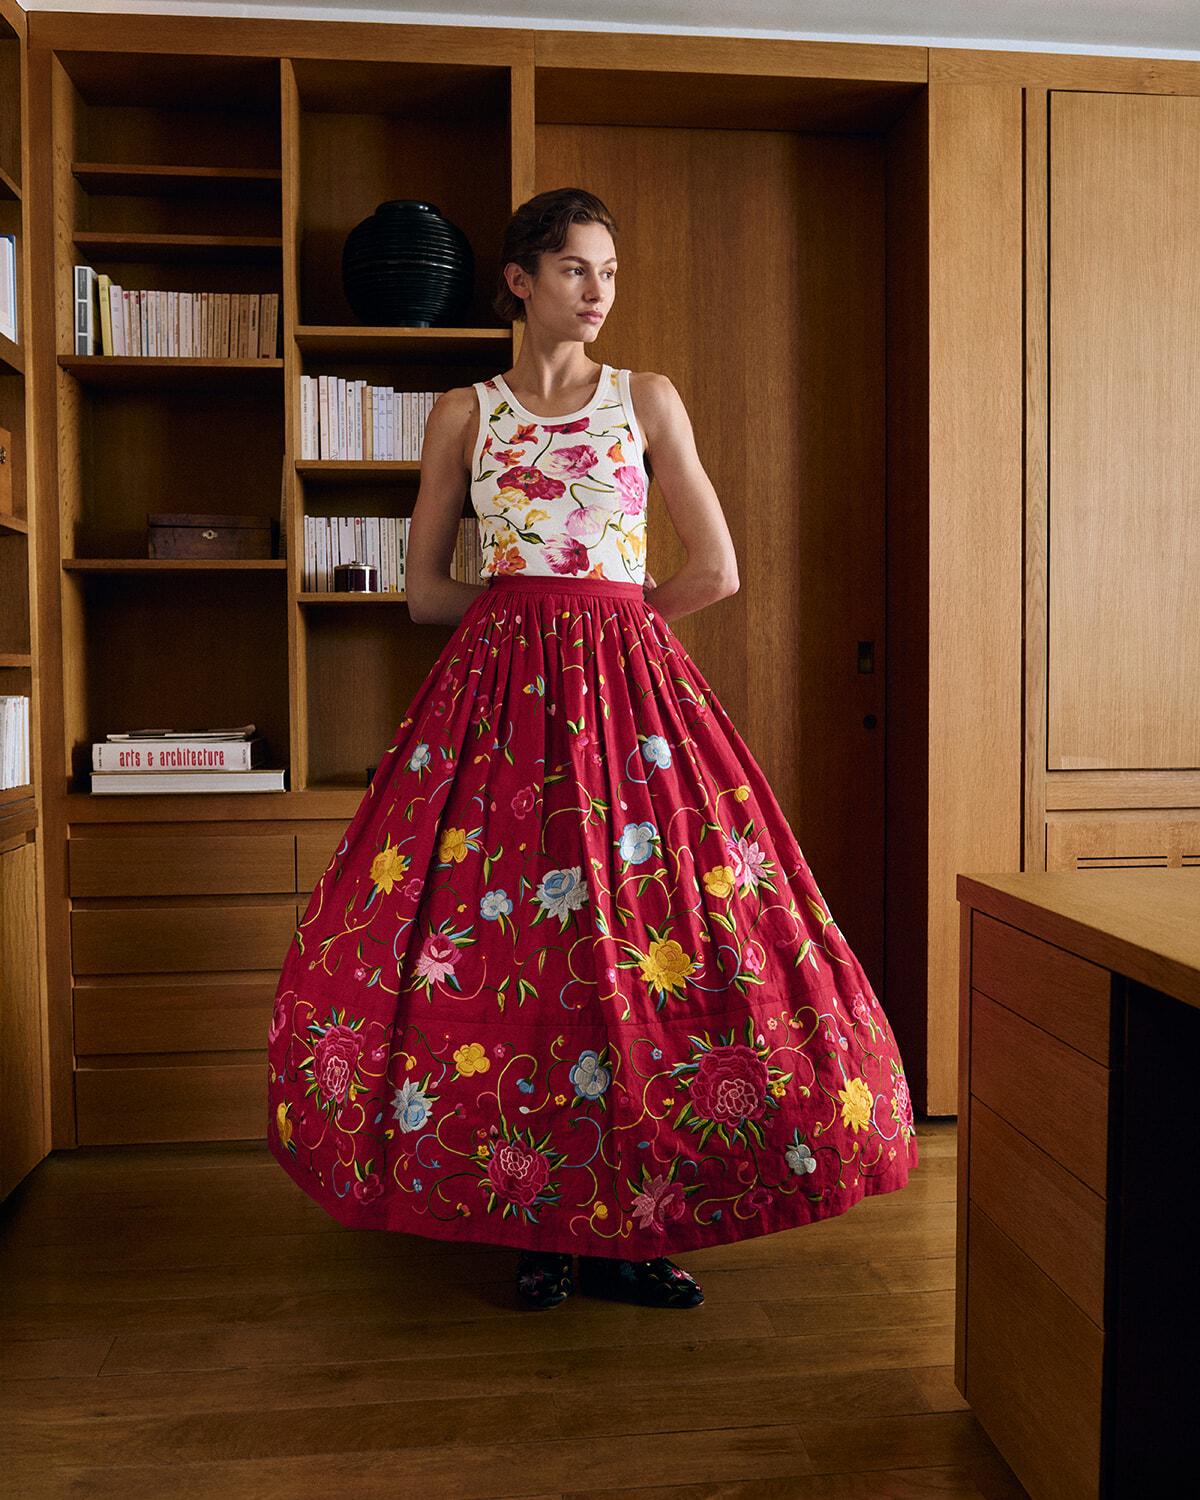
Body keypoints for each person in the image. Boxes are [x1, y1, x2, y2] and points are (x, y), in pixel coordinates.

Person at [268, 187, 917, 1312]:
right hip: (507, 698)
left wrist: (594, 619)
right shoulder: (463, 413)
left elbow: (717, 568)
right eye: (576, 269)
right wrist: (585, 612)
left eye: (609, 271)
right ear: (518, 280)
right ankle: (547, 1217)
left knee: (642, 940)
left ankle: (629, 1224)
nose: (599, 291)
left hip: (612, 694)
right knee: (527, 951)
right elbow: (424, 592)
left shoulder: (647, 399)